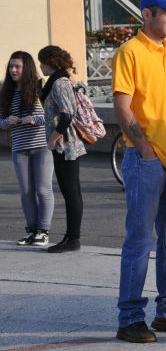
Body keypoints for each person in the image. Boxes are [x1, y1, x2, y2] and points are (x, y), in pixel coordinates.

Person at [113, 0, 166, 343]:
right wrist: (146, 150)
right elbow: (122, 106)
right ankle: (130, 317)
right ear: (147, 14)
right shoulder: (130, 51)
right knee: (140, 239)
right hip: (145, 160)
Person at [1, 51, 53, 247]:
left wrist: (34, 119)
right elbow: (1, 121)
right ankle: (32, 231)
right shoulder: (6, 92)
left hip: (42, 147)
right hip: (20, 149)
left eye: (17, 67)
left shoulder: (40, 89)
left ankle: (43, 231)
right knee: (26, 191)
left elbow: (53, 115)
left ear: (27, 68)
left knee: (43, 190)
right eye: (11, 66)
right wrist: (7, 121)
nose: (13, 70)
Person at [38, 45, 86, 254]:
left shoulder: (59, 83)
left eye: (42, 62)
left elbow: (68, 114)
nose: (40, 66)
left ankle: (73, 239)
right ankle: (70, 236)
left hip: (66, 146)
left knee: (71, 192)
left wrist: (52, 139)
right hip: (64, 144)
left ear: (50, 62)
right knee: (70, 191)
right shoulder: (57, 81)